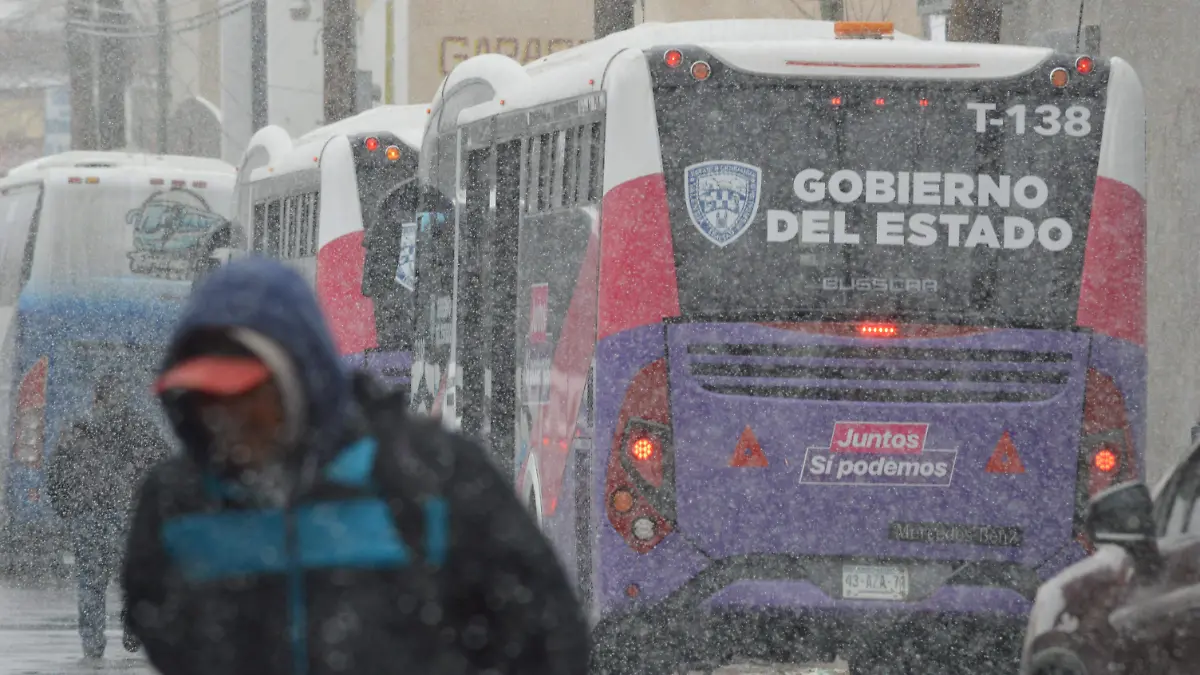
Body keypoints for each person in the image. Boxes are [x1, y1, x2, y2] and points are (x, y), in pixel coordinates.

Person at [122, 257, 589, 675]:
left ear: (300, 380)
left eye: (247, 395)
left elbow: (547, 633)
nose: (226, 418)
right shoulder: (174, 504)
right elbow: (157, 622)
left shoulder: (429, 477)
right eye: (205, 398)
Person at [46, 378, 172, 659]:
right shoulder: (141, 430)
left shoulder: (79, 432)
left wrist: (67, 509)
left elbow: (57, 473)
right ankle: (132, 625)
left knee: (90, 582)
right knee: (131, 576)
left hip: (89, 516)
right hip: (130, 517)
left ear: (96, 400)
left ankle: (92, 645)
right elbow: (163, 470)